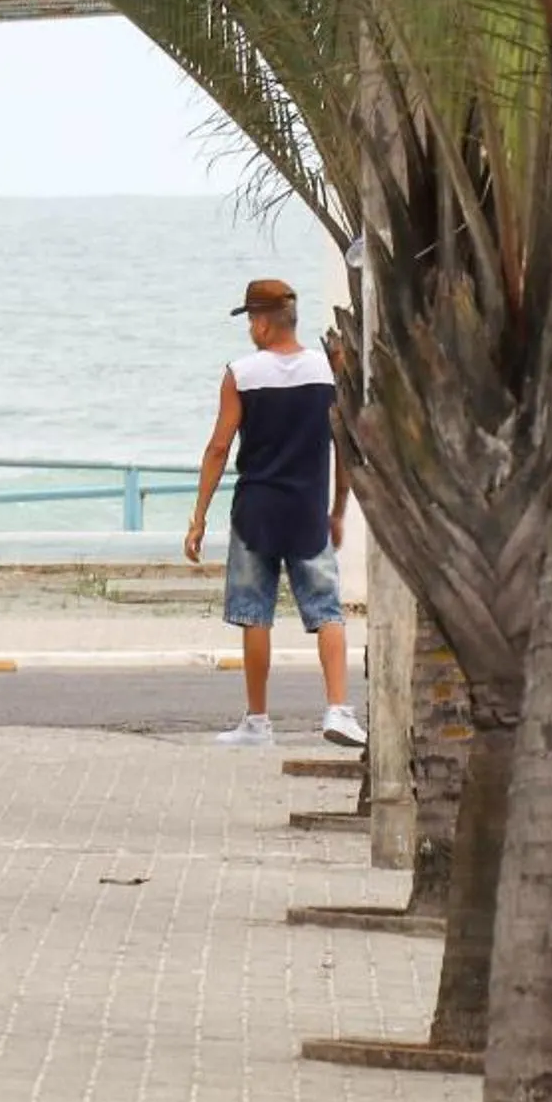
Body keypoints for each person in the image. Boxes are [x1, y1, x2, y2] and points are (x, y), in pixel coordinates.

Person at [183, 278, 366, 749]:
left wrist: (198, 517)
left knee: (255, 615)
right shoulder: (328, 371)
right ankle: (340, 710)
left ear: (263, 323)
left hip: (256, 510)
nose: (249, 327)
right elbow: (342, 447)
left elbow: (219, 448)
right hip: (307, 508)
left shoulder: (240, 375)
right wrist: (339, 508)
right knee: (327, 610)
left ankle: (259, 722)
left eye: (250, 319)